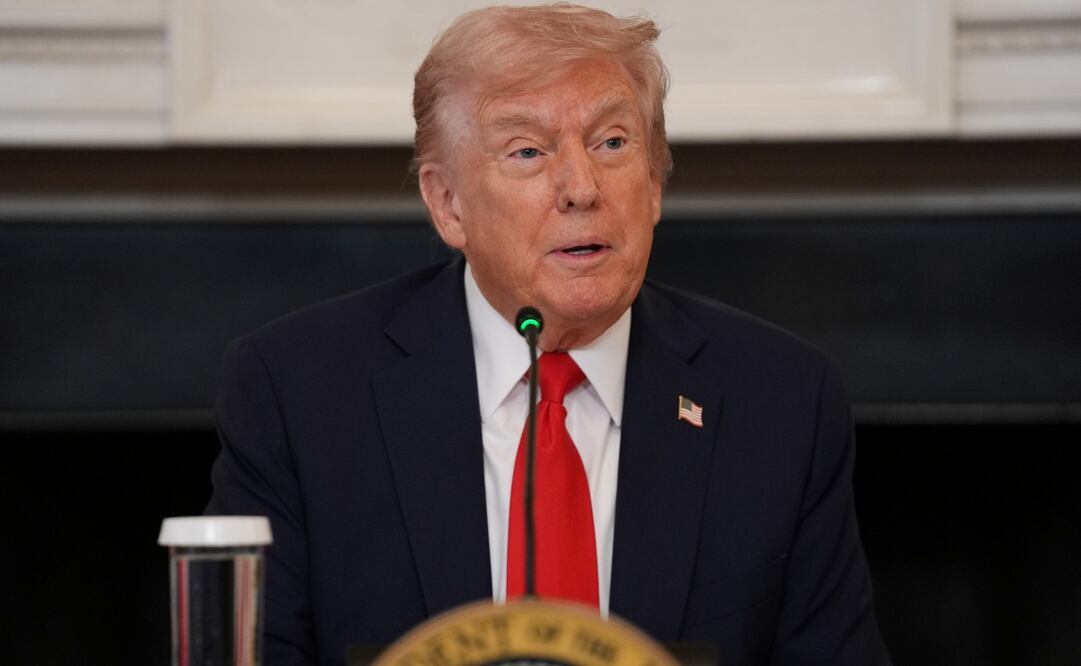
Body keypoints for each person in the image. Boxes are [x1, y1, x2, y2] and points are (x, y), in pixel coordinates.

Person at [207, 4, 890, 665]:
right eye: (527, 151)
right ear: (446, 204)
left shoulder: (779, 400)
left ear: (654, 183)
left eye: (612, 143)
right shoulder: (300, 391)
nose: (580, 188)